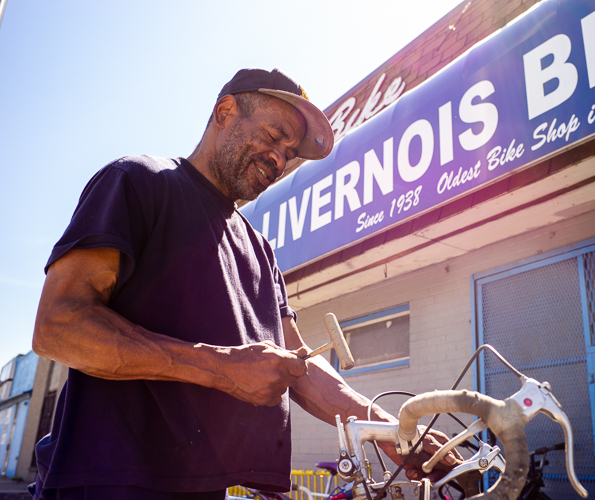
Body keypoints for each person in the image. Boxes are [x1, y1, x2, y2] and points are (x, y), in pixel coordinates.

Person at [30, 68, 456, 500]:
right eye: (274, 135)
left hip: (205, 489)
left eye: (290, 152)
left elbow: (300, 367)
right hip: (109, 482)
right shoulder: (139, 181)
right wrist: (220, 367)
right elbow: (58, 326)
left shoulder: (260, 250)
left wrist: (392, 431)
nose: (280, 158)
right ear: (225, 111)